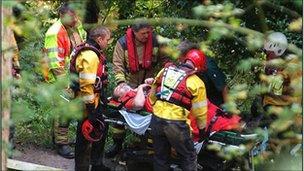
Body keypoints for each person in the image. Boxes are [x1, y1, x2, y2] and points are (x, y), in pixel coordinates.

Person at [107, 21, 162, 157]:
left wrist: (159, 80)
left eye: (148, 32)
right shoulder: (123, 43)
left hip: (149, 84)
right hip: (129, 83)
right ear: (135, 32)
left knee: (146, 114)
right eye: (143, 33)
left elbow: (165, 61)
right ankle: (117, 144)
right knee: (121, 116)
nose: (146, 36)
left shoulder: (155, 41)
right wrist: (121, 83)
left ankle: (139, 145)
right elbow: (118, 65)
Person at [149, 49, 208, 171]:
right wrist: (202, 131)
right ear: (199, 66)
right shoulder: (197, 83)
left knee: (160, 157)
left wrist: (154, 103)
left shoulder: (165, 71)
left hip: (156, 119)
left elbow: (154, 89)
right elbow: (200, 112)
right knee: (188, 157)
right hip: (176, 125)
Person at [42, 2, 87, 159]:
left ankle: (59, 139)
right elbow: (55, 63)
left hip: (73, 74)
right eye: (72, 16)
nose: (76, 19)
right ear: (62, 16)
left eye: (76, 15)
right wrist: (64, 85)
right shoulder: (54, 33)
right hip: (59, 78)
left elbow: (83, 43)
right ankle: (61, 144)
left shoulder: (75, 24)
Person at [69, 26, 111, 171]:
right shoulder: (90, 55)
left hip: (92, 100)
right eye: (107, 39)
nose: (108, 42)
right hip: (86, 103)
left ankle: (96, 165)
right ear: (99, 39)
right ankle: (81, 167)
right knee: (85, 136)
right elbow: (86, 84)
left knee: (99, 130)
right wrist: (91, 108)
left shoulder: (88, 51)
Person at [178, 40, 228, 107]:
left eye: (180, 58)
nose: (179, 61)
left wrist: (229, 109)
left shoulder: (208, 65)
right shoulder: (189, 67)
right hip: (201, 103)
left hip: (216, 105)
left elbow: (223, 87)